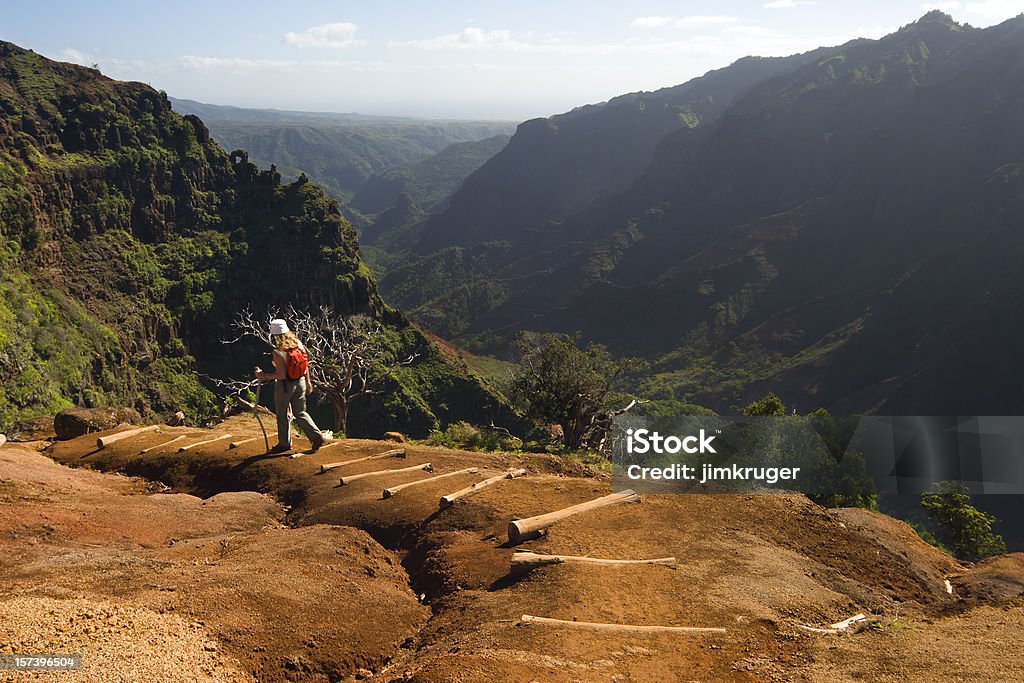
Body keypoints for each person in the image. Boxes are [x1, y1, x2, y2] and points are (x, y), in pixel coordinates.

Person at [254, 319, 329, 456]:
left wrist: (262, 375)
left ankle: (285, 443)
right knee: (300, 412)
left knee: (282, 414)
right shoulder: (298, 344)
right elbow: (305, 365)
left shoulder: (278, 351)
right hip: (300, 382)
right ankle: (316, 435)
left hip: (285, 386)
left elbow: (281, 374)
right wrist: (308, 382)